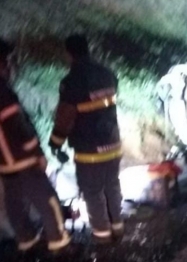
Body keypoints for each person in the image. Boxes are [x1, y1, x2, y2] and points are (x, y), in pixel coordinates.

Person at [49, 34, 124, 243]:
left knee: (92, 191)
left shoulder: (71, 82)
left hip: (89, 149)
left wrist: (55, 143)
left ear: (69, 54)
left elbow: (65, 117)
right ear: (87, 49)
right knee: (112, 185)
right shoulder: (108, 74)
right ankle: (117, 228)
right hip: (113, 143)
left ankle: (102, 237)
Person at [0, 38, 70, 252]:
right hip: (22, 157)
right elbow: (18, 124)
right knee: (47, 199)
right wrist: (37, 152)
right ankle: (59, 241)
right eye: (6, 61)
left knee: (14, 203)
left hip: (3, 163)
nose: (9, 65)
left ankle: (26, 240)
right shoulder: (2, 90)